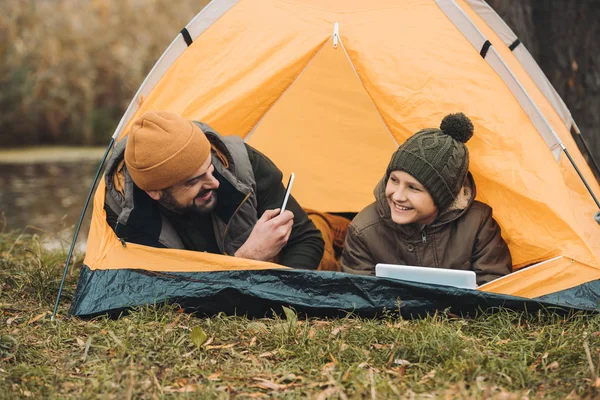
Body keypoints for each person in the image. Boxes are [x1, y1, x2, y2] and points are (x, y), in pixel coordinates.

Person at [103, 110, 324, 270]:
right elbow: (163, 291)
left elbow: (308, 240)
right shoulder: (125, 215)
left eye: (210, 168)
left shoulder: (240, 165)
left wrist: (281, 294)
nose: (214, 183)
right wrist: (248, 258)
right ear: (154, 192)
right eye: (194, 181)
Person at [340, 113, 512, 285]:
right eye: (393, 180)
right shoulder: (363, 230)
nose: (398, 196)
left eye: (413, 188)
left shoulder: (477, 224)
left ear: (443, 197)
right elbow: (359, 296)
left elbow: (495, 285)